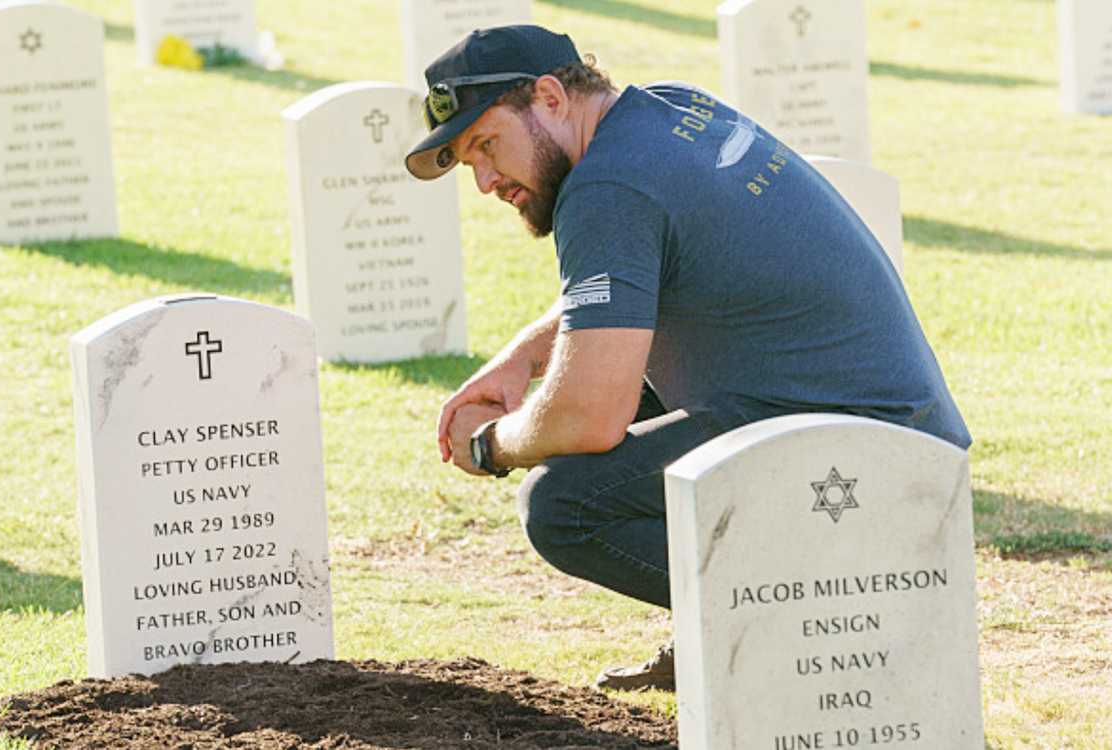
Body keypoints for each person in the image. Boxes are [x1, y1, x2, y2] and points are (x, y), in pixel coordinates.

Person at [404, 25, 971, 692]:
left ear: (550, 97)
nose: (485, 181)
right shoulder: (668, 110)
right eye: (469, 162)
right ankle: (729, 625)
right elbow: (638, 279)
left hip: (863, 470)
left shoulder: (607, 188)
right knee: (623, 376)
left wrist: (488, 446)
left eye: (486, 146)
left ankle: (798, 622)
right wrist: (520, 360)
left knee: (563, 505)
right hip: (907, 436)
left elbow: (588, 417)